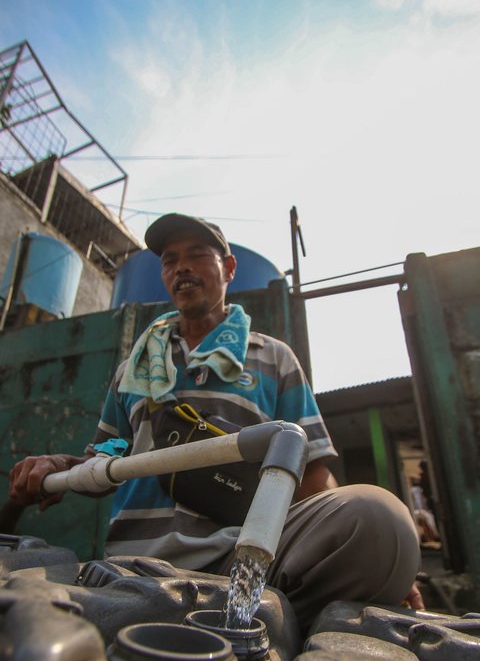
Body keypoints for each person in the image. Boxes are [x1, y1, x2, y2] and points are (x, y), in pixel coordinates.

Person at [8, 213, 422, 631]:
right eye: (170, 260)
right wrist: (62, 465)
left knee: (381, 518)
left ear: (228, 268)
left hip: (245, 559)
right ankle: (271, 627)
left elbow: (312, 475)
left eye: (196, 255)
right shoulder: (131, 369)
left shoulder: (274, 358)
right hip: (134, 566)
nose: (180, 267)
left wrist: (386, 558)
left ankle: (263, 615)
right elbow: (110, 454)